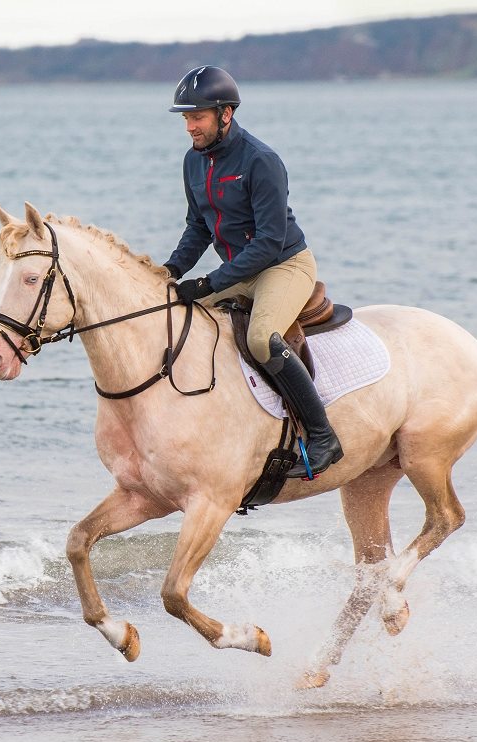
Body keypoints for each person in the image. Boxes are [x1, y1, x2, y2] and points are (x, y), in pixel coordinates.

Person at [164, 65, 343, 479]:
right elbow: (198, 227)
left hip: (284, 263)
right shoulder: (194, 162)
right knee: (172, 311)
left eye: (197, 117)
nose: (189, 126)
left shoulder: (262, 160)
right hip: (241, 267)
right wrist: (170, 270)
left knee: (262, 339)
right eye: (186, 118)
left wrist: (209, 282)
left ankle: (322, 437)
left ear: (225, 113)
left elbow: (267, 242)